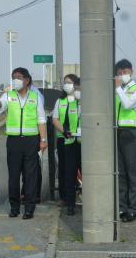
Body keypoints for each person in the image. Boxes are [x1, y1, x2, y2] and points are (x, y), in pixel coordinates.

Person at [0, 67, 48, 219]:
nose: (16, 80)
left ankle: (29, 208)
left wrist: (43, 140)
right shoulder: (8, 96)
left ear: (27, 80)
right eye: (13, 77)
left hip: (31, 140)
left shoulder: (35, 97)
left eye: (19, 77)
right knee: (14, 176)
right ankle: (14, 207)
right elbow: (0, 108)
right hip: (14, 141)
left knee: (30, 176)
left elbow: (41, 120)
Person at [115, 59, 136, 222]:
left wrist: (118, 88)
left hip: (130, 133)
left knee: (131, 172)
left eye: (124, 72)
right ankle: (122, 206)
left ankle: (133, 207)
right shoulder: (117, 90)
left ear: (131, 72)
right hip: (117, 132)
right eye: (119, 73)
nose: (121, 76)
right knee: (120, 172)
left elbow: (127, 105)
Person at [53, 74, 81, 215]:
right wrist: (64, 131)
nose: (68, 85)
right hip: (66, 140)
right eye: (66, 83)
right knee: (68, 172)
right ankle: (69, 202)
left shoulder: (82, 101)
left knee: (84, 172)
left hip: (82, 142)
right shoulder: (62, 101)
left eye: (70, 83)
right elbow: (55, 119)